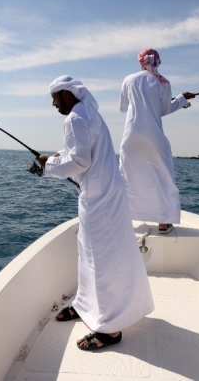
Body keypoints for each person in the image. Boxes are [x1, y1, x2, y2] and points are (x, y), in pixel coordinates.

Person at [36, 75, 154, 351]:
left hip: (99, 199)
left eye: (55, 98)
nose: (53, 104)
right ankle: (84, 305)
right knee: (87, 254)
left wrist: (47, 166)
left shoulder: (75, 118)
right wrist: (55, 156)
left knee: (100, 259)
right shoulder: (89, 113)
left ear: (66, 95)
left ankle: (110, 329)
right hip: (101, 194)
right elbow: (78, 151)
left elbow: (79, 161)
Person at [119, 48, 195, 234]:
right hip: (153, 135)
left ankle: (124, 219)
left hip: (130, 135)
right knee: (163, 176)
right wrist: (182, 99)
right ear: (158, 62)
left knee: (128, 175)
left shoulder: (128, 79)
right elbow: (163, 110)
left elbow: (123, 108)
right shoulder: (163, 82)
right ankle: (163, 222)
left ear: (140, 62)